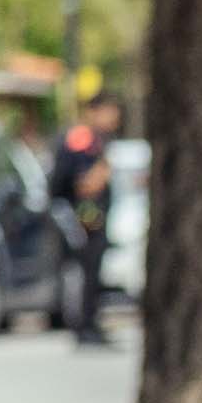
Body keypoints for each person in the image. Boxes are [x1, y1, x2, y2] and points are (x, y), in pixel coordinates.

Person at [50, 100, 115, 347]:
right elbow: (83, 184)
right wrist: (103, 171)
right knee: (85, 274)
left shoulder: (95, 139)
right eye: (109, 112)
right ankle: (84, 326)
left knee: (93, 275)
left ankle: (91, 323)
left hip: (91, 219)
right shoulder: (82, 140)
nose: (112, 119)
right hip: (83, 219)